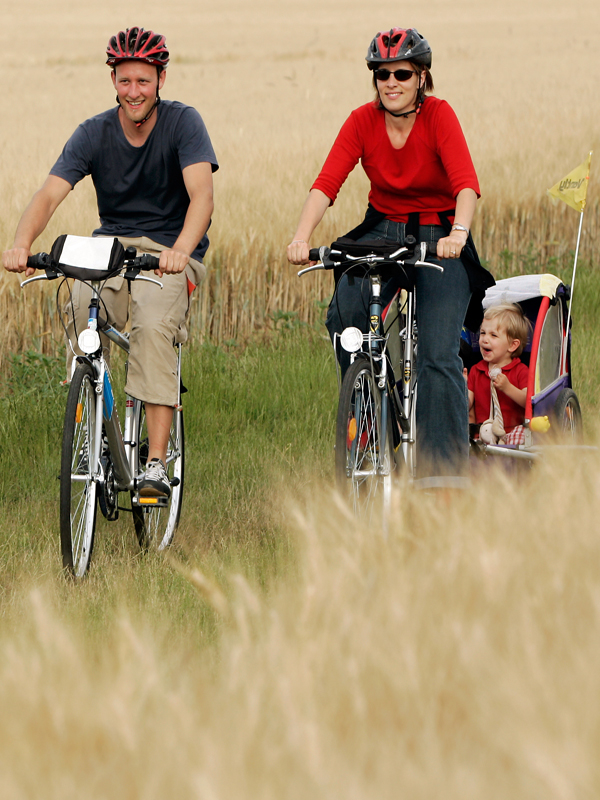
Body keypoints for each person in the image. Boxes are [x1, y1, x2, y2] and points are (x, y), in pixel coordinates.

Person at [2, 26, 218, 498]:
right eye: (124, 81)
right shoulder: (93, 132)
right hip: (113, 249)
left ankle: (156, 463)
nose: (133, 91)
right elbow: (49, 193)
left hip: (168, 254)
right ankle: (91, 427)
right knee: (80, 307)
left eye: (143, 81)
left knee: (155, 329)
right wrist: (21, 242)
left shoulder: (184, 123)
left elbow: (202, 196)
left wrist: (181, 248)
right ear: (113, 80)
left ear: (161, 79)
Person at [287, 27, 493, 488]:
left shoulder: (439, 116)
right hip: (382, 230)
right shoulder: (361, 120)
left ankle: (444, 480)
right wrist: (301, 237)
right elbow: (326, 184)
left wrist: (459, 233)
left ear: (422, 77)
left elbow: (465, 183)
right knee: (346, 319)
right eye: (381, 74)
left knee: (438, 354)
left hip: (440, 232)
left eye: (402, 73)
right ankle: (372, 420)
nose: (391, 82)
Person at [467, 304, 530, 445]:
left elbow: (529, 402)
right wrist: (460, 387)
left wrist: (508, 388)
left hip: (511, 433)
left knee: (522, 435)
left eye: (493, 335)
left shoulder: (521, 370)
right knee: (468, 442)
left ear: (512, 345)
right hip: (484, 434)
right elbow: (467, 404)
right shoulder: (476, 371)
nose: (484, 339)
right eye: (482, 333)